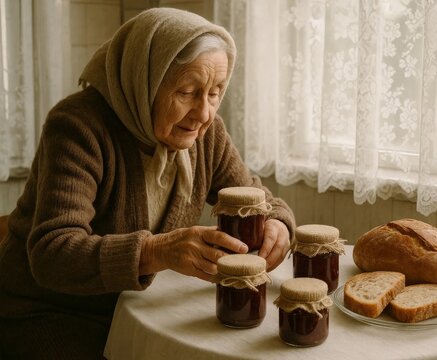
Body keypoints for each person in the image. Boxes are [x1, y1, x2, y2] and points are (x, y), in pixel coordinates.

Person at [0, 7, 295, 359]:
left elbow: (254, 196)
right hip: (53, 314)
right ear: (145, 80)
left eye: (215, 92)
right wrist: (156, 251)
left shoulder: (206, 134)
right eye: (187, 91)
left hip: (136, 308)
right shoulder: (79, 127)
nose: (204, 114)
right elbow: (53, 253)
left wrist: (278, 220)